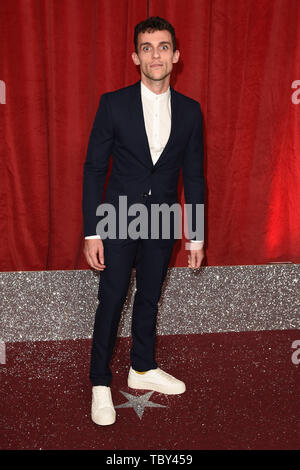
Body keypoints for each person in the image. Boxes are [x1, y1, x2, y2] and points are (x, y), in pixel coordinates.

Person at [82, 16, 205, 426]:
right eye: (148, 47)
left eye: (164, 46)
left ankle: (142, 368)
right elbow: (94, 169)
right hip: (118, 218)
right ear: (136, 56)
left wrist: (196, 236)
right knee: (112, 298)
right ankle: (100, 380)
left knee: (150, 297)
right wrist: (91, 230)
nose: (156, 54)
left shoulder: (190, 111)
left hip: (163, 219)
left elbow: (195, 175)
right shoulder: (112, 103)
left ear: (176, 56)